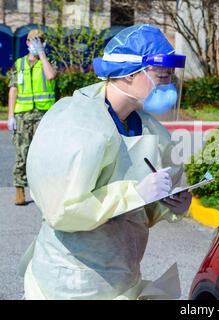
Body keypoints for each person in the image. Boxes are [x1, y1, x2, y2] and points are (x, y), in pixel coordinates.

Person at [21, 24, 192, 300]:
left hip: (122, 277)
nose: (167, 87)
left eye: (171, 78)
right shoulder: (78, 122)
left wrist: (172, 204)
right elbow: (61, 209)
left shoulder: (153, 132)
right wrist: (132, 193)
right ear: (128, 74)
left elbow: (148, 207)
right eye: (161, 76)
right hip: (70, 281)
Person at [7, 29, 57, 205]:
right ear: (27, 43)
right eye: (33, 41)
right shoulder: (19, 64)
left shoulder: (49, 62)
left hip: (44, 115)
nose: (36, 44)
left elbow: (50, 76)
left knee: (44, 154)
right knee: (22, 153)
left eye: (40, 41)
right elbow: (13, 89)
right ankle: (19, 188)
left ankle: (43, 190)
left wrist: (42, 54)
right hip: (23, 115)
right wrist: (11, 115)